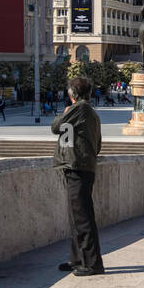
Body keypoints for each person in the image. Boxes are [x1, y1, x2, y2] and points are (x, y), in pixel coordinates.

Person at [51, 76, 104, 276]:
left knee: (83, 218)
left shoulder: (79, 109)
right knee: (76, 217)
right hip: (80, 167)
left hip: (78, 168)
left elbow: (56, 127)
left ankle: (92, 263)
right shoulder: (89, 112)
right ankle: (77, 259)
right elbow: (97, 144)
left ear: (72, 93)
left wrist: (64, 113)